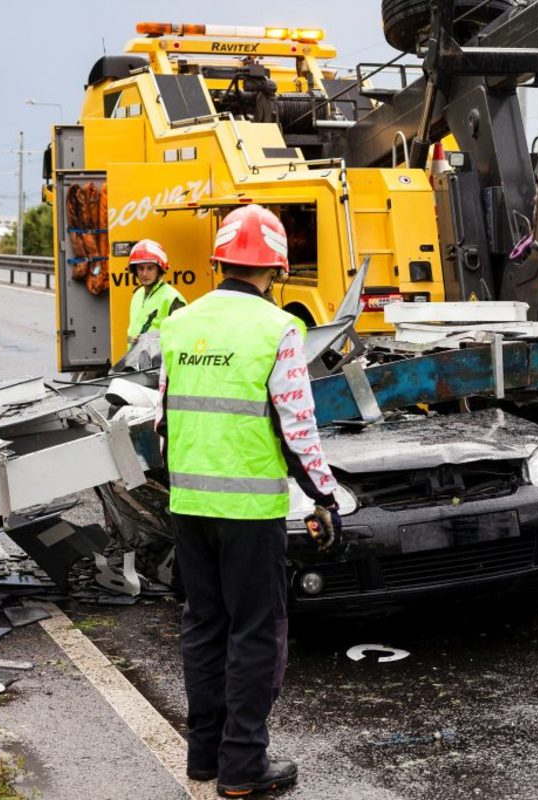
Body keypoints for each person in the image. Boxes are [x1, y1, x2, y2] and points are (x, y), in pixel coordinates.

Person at [157, 204, 342, 797]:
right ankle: (242, 769)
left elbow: (163, 420)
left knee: (203, 627)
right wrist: (325, 497)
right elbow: (298, 429)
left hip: (189, 505)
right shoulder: (277, 328)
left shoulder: (180, 324)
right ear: (277, 268)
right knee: (256, 634)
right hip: (251, 512)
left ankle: (204, 757)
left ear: (218, 261)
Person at [126, 239, 186, 346]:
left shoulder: (172, 298)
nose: (144, 274)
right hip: (136, 360)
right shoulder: (137, 295)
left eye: (150, 268)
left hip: (162, 362)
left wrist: (152, 340)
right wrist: (131, 340)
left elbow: (184, 336)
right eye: (140, 268)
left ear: (159, 269)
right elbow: (132, 335)